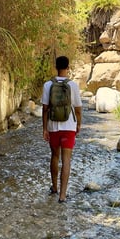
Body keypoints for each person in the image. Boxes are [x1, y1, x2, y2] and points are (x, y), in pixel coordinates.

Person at [41, 55, 82, 203]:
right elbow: (78, 109)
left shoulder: (47, 85)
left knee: (54, 156)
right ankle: (63, 196)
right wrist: (78, 124)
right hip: (69, 126)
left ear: (56, 67)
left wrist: (44, 128)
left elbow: (45, 109)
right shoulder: (73, 86)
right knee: (66, 161)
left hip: (53, 126)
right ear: (68, 67)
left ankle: (54, 187)